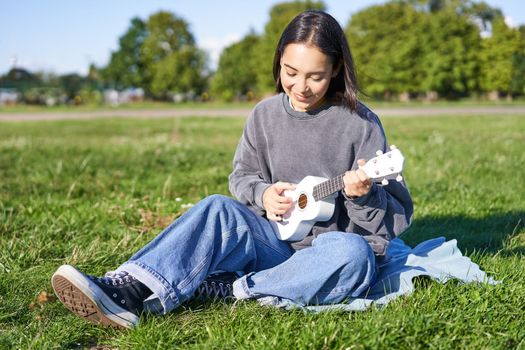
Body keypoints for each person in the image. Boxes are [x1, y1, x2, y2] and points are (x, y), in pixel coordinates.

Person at [51, 9, 413, 329]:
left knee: (353, 255)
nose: (300, 87)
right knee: (216, 206)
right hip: (273, 243)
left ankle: (233, 288)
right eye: (291, 72)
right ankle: (129, 288)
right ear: (279, 63)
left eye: (315, 76)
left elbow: (395, 221)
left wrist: (364, 195)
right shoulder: (264, 115)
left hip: (328, 255)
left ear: (335, 70)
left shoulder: (360, 124)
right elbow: (241, 178)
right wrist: (263, 194)